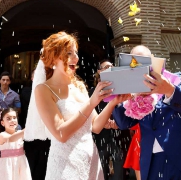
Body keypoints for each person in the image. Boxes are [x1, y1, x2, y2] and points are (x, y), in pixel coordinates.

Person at [30, 31, 128, 180]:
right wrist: (91, 102)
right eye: (69, 53)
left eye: (76, 53)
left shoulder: (80, 86)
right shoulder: (43, 90)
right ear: (53, 58)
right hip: (65, 164)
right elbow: (60, 134)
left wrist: (113, 102)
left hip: (90, 160)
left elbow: (95, 126)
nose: (76, 57)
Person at [112, 45, 181, 180]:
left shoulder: (176, 80)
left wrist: (168, 89)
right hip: (153, 162)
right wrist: (117, 100)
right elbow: (123, 123)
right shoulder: (133, 92)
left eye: (144, 61)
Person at [90, 59, 131, 180]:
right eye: (107, 67)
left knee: (119, 172)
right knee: (102, 170)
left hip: (119, 137)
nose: (110, 68)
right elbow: (89, 112)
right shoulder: (93, 92)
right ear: (99, 71)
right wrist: (104, 124)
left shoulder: (122, 89)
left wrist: (118, 124)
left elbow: (128, 109)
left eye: (112, 66)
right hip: (100, 137)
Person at [0, 108, 32, 180]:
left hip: (20, 164)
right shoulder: (2, 135)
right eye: (8, 119)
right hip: (7, 166)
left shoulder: (20, 134)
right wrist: (26, 130)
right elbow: (11, 139)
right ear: (2, 123)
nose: (12, 120)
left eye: (14, 118)